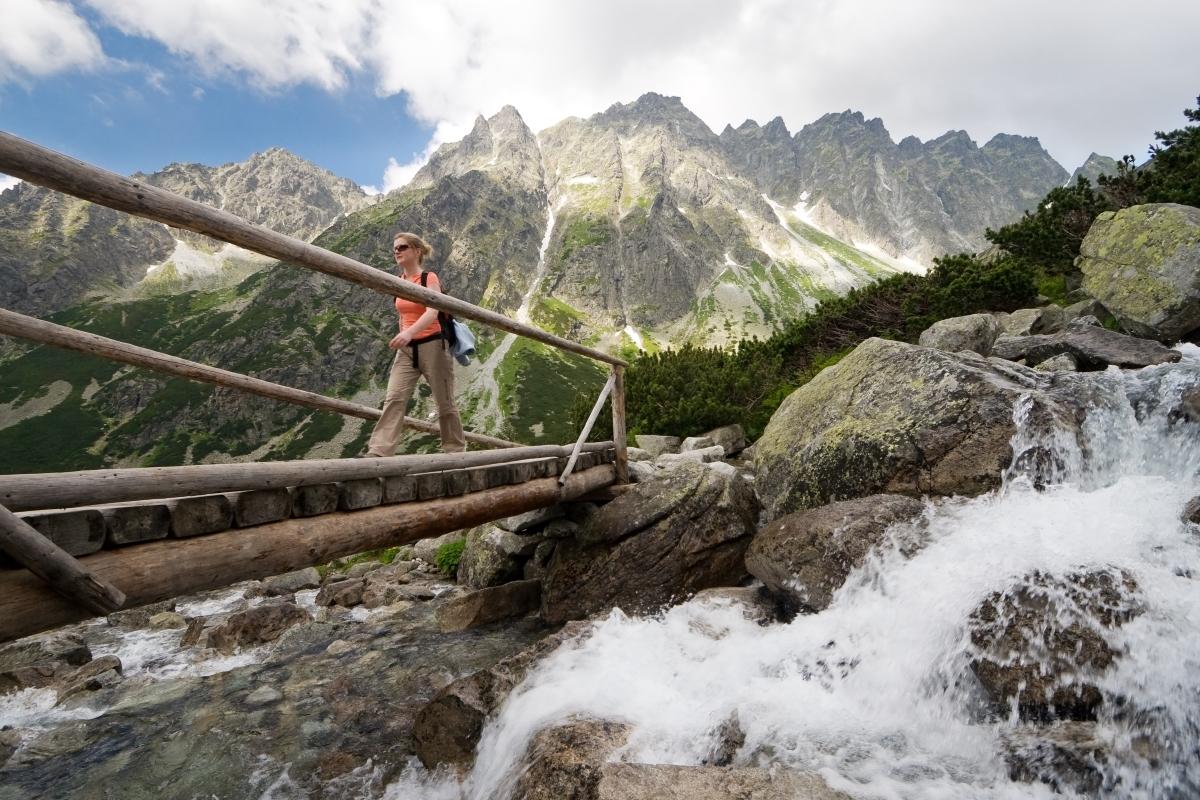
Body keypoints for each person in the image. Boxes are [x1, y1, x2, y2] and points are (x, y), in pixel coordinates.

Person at [363, 232, 466, 456]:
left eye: (402, 247)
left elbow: (433, 310)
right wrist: (404, 334)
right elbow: (402, 313)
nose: (396, 251)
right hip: (407, 350)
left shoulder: (429, 278)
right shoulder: (399, 281)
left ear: (417, 251)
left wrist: (409, 333)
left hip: (433, 345)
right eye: (395, 248)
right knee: (394, 398)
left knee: (445, 402)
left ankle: (455, 451)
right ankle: (379, 452)